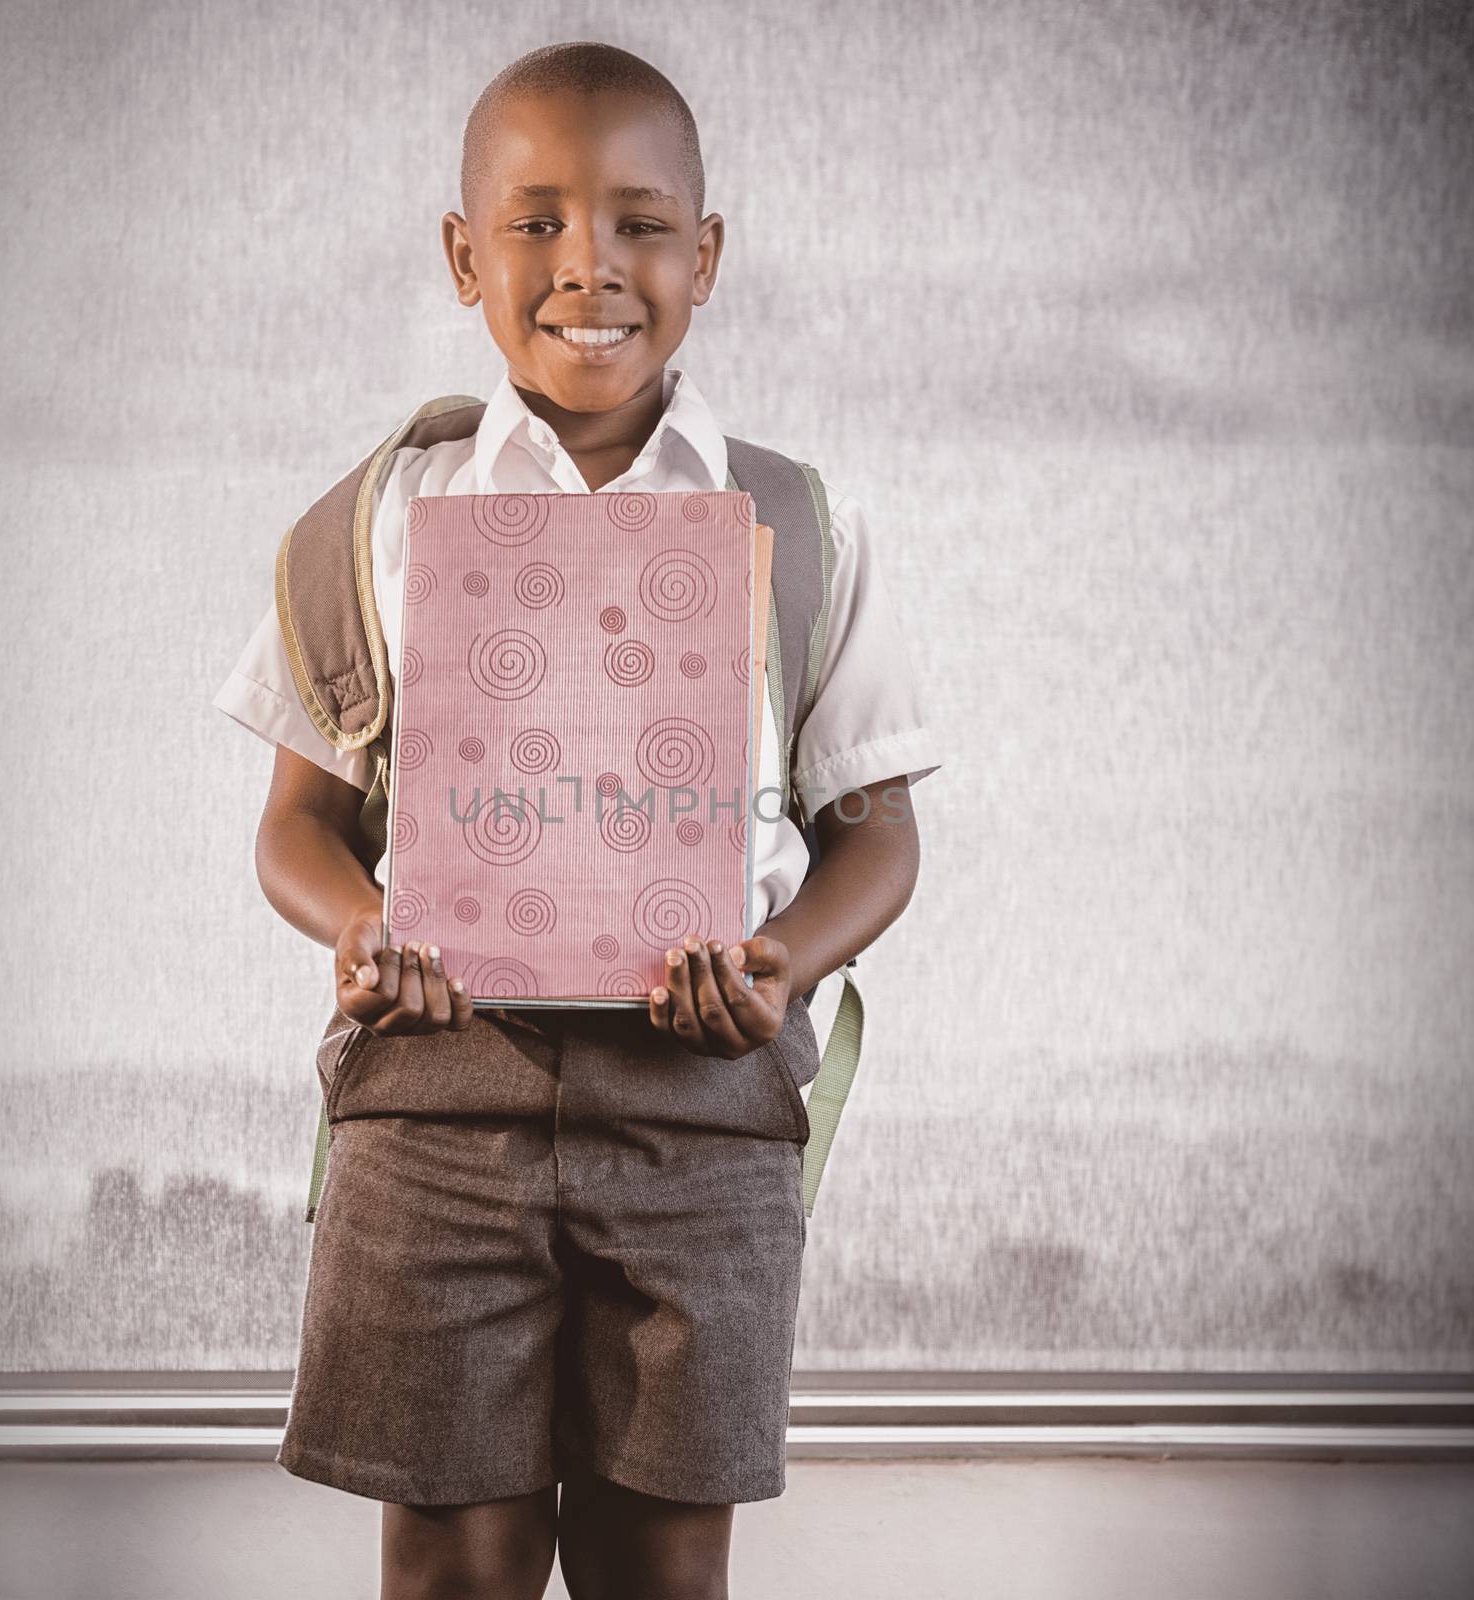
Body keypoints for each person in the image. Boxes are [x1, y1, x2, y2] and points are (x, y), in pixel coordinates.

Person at [214, 39, 942, 1600]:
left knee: (663, 1576)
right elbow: (297, 824)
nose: (587, 266)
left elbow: (878, 834)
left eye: (638, 222)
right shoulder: (383, 521)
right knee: (450, 1574)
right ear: (462, 254)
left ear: (708, 254)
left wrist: (781, 958)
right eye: (535, 222)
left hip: (703, 1102)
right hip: (438, 1106)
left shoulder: (800, 524)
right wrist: (367, 930)